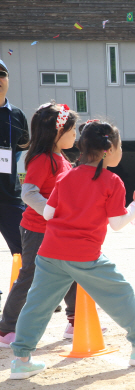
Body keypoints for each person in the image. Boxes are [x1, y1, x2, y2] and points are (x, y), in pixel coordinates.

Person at [9, 120, 135, 379]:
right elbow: (117, 224)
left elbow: (48, 212)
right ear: (107, 150)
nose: (121, 151)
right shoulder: (112, 181)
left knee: (37, 305)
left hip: (50, 252)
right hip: (85, 255)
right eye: (120, 146)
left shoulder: (65, 176)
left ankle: (21, 359)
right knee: (122, 293)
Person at [0, 103, 79, 349]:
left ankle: (76, 321)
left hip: (58, 229)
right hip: (37, 229)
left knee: (72, 271)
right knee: (29, 276)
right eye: (72, 129)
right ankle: (6, 329)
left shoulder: (61, 158)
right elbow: (28, 193)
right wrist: (51, 212)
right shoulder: (43, 160)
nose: (75, 134)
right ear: (57, 133)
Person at [0, 59, 29, 257]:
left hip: (9, 195)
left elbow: (19, 150)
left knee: (25, 250)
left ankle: (24, 289)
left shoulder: (17, 115)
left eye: (2, 74)